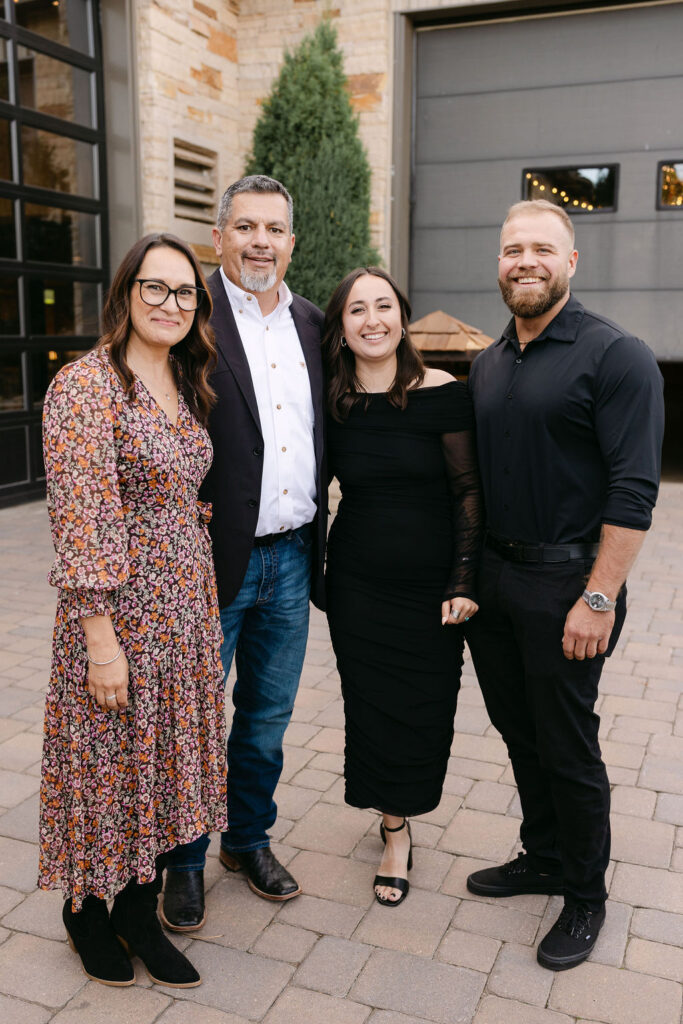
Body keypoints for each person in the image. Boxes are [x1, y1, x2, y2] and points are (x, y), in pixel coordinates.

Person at [464, 199, 664, 970]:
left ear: (569, 262)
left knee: (567, 745)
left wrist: (598, 596)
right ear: (499, 262)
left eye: (541, 249)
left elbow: (632, 492)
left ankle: (585, 896)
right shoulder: (488, 362)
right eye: (512, 248)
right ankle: (542, 854)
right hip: (496, 583)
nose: (524, 261)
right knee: (520, 735)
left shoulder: (617, 357)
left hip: (568, 585)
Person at [39, 233, 228, 988]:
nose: (170, 304)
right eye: (154, 288)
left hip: (184, 611)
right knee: (106, 762)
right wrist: (99, 641)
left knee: (163, 762)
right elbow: (81, 519)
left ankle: (137, 909)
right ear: (125, 294)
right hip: (118, 616)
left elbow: (168, 483)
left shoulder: (186, 377)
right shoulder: (86, 387)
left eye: (184, 293)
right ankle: (85, 910)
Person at [162, 175, 326, 930]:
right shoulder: (187, 320)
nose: (262, 241)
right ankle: (183, 863)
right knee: (193, 716)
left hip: (292, 558)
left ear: (292, 241)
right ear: (220, 235)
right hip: (209, 560)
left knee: (265, 716)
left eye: (275, 229)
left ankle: (247, 839)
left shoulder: (312, 325)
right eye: (247, 227)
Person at [323, 267, 482, 906]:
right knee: (369, 708)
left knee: (423, 708)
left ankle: (406, 811)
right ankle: (393, 831)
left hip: (430, 591)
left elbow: (468, 490)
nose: (372, 320)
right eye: (357, 309)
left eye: (383, 306)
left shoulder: (443, 392)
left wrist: (465, 578)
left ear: (401, 315)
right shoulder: (331, 403)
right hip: (357, 586)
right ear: (341, 326)